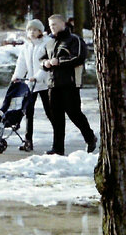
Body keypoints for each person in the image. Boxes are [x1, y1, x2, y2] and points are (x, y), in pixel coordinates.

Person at [41, 14, 97, 156]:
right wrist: (45, 64)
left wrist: (59, 61)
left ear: (63, 24)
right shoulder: (49, 43)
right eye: (50, 25)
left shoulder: (74, 40)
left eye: (54, 24)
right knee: (56, 117)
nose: (52, 27)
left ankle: (90, 137)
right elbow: (42, 59)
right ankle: (58, 148)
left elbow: (79, 57)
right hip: (53, 84)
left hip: (70, 83)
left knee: (74, 113)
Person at [10, 18, 49, 151]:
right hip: (30, 83)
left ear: (40, 31)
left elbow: (46, 65)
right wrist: (17, 76)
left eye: (35, 30)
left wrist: (37, 77)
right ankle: (28, 140)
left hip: (44, 83)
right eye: (30, 30)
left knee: (50, 112)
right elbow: (21, 63)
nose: (32, 32)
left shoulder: (46, 43)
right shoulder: (27, 45)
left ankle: (58, 141)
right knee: (28, 111)